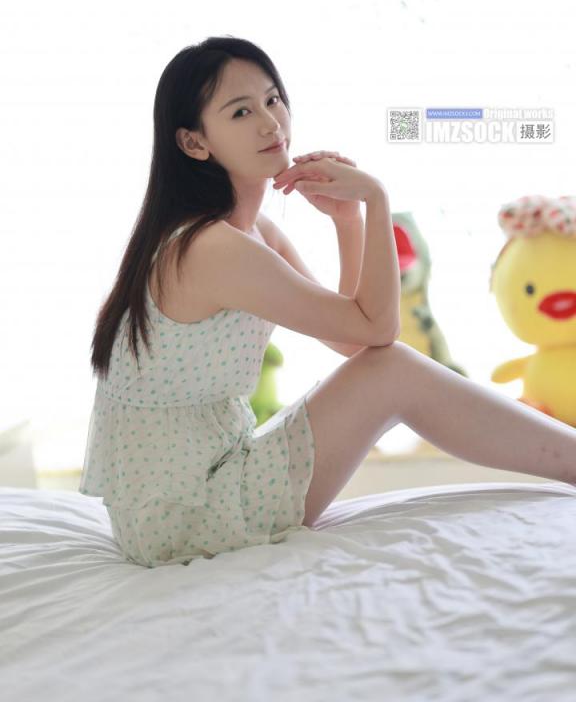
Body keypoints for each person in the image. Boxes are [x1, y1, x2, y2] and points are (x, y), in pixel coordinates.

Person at [80, 35, 576, 567]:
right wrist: (376, 198)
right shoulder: (211, 248)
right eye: (241, 111)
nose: (270, 123)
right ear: (194, 143)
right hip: (186, 516)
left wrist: (347, 220)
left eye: (273, 99)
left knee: (388, 368)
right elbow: (378, 332)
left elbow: (350, 339)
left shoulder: (251, 233)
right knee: (393, 370)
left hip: (208, 480)